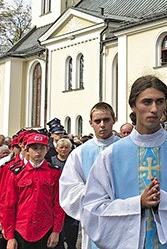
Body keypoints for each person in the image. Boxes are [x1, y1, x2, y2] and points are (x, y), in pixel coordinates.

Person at [81, 76, 167, 249]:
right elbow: (92, 208)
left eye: (160, 102)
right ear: (133, 106)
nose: (154, 109)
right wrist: (138, 204)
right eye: (146, 102)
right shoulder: (111, 155)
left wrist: (164, 201)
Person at [59, 102, 120, 249]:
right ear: (90, 123)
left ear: (114, 119)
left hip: (121, 217)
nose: (102, 125)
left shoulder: (126, 148)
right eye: (97, 121)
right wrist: (96, 195)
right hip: (94, 219)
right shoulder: (79, 154)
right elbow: (69, 188)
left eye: (106, 120)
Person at [3, 132, 65, 249]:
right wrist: (10, 236)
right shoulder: (16, 173)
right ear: (26, 150)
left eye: (42, 148)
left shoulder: (54, 173)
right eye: (34, 148)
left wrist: (56, 231)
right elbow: (9, 206)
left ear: (47, 150)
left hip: (47, 230)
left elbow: (58, 204)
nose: (38, 151)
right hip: (22, 231)